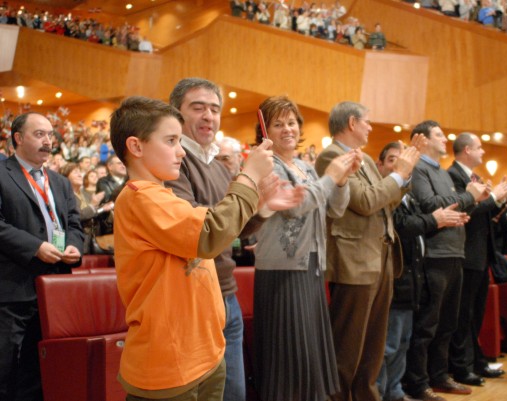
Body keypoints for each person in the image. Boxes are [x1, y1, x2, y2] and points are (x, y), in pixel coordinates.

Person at [110, 96, 276, 401]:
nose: (181, 151)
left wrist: (257, 200)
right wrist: (249, 175)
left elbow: (213, 232)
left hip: (201, 352)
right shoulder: (141, 198)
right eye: (171, 140)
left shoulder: (163, 195)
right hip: (169, 361)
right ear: (136, 147)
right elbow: (209, 233)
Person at [165, 78, 288, 401]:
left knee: (234, 393)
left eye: (215, 109)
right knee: (204, 393)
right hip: (192, 294)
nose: (209, 116)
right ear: (176, 113)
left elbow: (235, 228)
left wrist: (261, 209)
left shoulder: (218, 167)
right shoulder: (172, 164)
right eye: (198, 107)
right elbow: (199, 230)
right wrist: (248, 178)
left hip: (226, 292)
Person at [315, 101, 425, 401]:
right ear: (351, 122)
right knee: (347, 346)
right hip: (354, 260)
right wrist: (398, 174)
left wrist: (405, 175)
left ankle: (367, 395)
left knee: (373, 345)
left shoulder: (361, 159)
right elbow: (364, 201)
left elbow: (384, 201)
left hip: (381, 257)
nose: (370, 127)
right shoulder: (331, 156)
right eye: (367, 121)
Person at [252, 96, 358, 401]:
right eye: (278, 123)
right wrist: (330, 177)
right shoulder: (266, 165)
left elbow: (335, 210)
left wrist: (341, 182)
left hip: (311, 266)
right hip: (281, 269)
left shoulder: (303, 166)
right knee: (288, 355)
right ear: (265, 131)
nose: (287, 129)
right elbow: (296, 206)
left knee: (309, 352)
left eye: (292, 122)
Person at [0, 112, 84, 401]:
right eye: (39, 134)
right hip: (14, 288)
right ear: (18, 138)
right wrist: (35, 246)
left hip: (55, 286)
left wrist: (74, 246)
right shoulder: (2, 173)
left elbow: (74, 223)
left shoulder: (59, 182)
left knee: (43, 368)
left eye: (50, 134)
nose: (48, 141)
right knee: (9, 369)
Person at [376, 141, 468, 401]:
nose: (400, 165)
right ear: (380, 165)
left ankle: (395, 391)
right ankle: (383, 393)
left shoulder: (409, 198)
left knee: (403, 342)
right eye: (392, 160)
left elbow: (419, 225)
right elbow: (403, 225)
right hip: (393, 281)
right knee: (389, 345)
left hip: (411, 282)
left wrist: (446, 220)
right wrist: (435, 220)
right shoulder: (386, 198)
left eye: (404, 160)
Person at [404, 121, 488, 401]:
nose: (445, 139)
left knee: (448, 323)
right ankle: (418, 382)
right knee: (428, 324)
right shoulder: (418, 168)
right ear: (423, 139)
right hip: (434, 255)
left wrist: (465, 206)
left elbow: (448, 206)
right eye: (439, 135)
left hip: (454, 252)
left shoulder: (440, 171)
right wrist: (468, 196)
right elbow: (431, 206)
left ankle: (439, 375)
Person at [447, 133, 507, 386]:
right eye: (478, 148)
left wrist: (500, 199)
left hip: (481, 254)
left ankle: (476, 360)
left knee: (476, 313)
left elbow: (484, 211)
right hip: (466, 254)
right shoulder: (453, 176)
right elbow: (467, 209)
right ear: (466, 150)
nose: (483, 152)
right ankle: (462, 366)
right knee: (464, 314)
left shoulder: (474, 177)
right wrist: (494, 197)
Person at [60, 163, 112, 254]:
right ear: (66, 177)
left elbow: (92, 212)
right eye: (75, 172)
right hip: (76, 241)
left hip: (92, 238)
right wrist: (93, 204)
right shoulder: (64, 196)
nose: (80, 175)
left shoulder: (84, 194)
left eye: (80, 172)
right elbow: (76, 216)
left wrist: (102, 209)